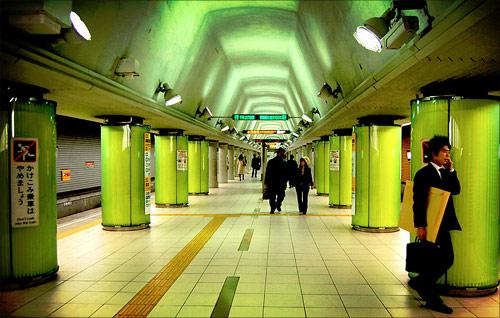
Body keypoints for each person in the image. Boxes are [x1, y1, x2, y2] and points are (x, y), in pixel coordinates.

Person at [410, 135, 461, 314]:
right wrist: (420, 225)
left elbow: (456, 190)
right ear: (434, 153)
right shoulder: (423, 174)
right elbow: (419, 201)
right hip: (431, 225)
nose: (447, 155)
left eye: (449, 152)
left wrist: (452, 170)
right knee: (444, 258)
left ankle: (422, 283)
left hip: (444, 223)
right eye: (444, 152)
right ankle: (431, 296)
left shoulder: (446, 172)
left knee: (445, 258)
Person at [264, 148, 288, 214]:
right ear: (279, 153)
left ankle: (276, 205)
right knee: (276, 196)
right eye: (283, 153)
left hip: (277, 183)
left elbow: (287, 173)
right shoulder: (272, 162)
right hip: (276, 183)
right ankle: (274, 207)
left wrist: (286, 180)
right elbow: (267, 173)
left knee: (277, 196)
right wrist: (266, 182)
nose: (283, 154)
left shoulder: (284, 162)